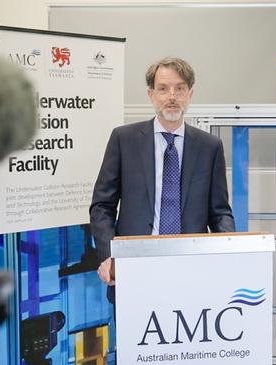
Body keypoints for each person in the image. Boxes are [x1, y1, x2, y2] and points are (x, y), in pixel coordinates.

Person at [89, 57, 235, 301]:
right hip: (134, 266)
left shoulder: (209, 146)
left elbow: (219, 212)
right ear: (151, 94)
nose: (172, 96)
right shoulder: (124, 140)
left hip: (191, 268)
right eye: (163, 88)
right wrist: (109, 255)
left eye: (179, 89)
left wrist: (231, 251)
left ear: (190, 93)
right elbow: (102, 206)